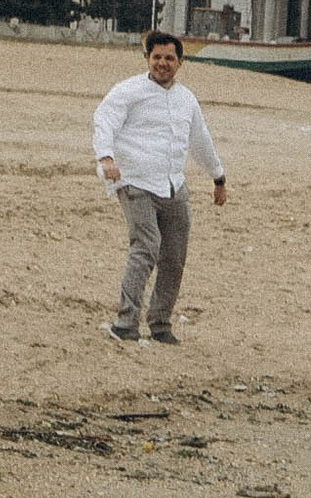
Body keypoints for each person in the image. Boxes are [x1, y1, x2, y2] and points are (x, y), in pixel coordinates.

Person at [94, 29, 227, 344]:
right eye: (156, 57)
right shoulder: (128, 91)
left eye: (169, 58)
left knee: (175, 254)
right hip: (134, 180)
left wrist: (218, 176)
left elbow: (200, 141)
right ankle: (125, 323)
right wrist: (106, 157)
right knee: (146, 245)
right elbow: (104, 121)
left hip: (172, 184)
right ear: (147, 59)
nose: (162, 63)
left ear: (181, 62)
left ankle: (160, 323)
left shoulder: (186, 99)